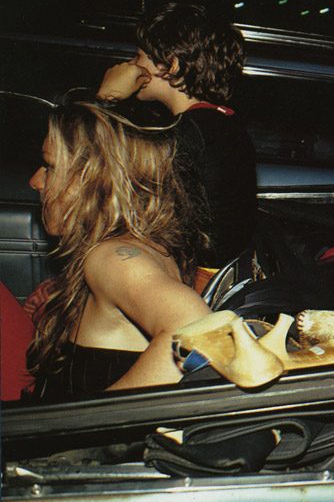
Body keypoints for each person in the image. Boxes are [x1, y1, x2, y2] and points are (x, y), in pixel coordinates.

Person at [23, 100, 212, 399]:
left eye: (50, 167)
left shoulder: (112, 257)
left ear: (96, 180)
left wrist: (91, 427)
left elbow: (197, 330)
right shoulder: (140, 247)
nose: (35, 181)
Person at [97, 2, 256, 267]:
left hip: (193, 277)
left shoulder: (185, 133)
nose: (130, 65)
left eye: (138, 57)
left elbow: (88, 170)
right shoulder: (222, 122)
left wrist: (106, 99)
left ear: (169, 65)